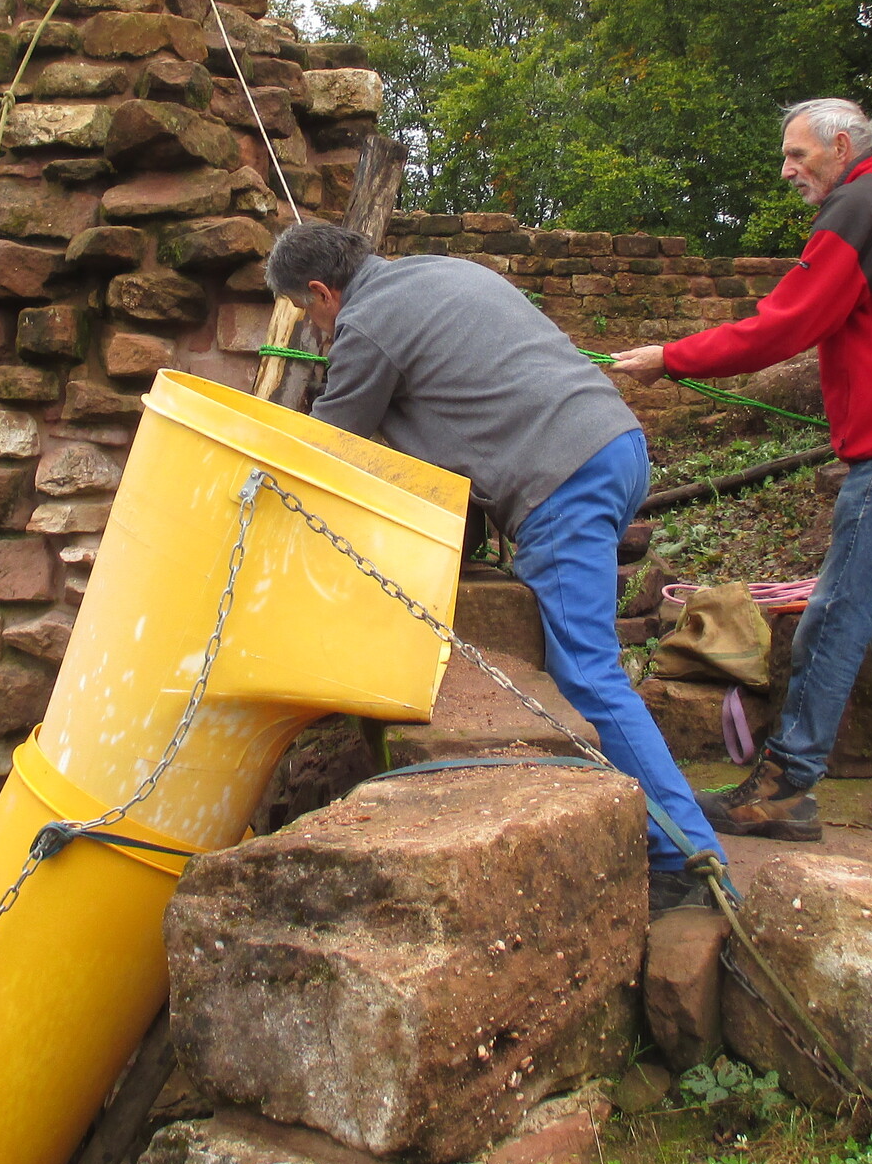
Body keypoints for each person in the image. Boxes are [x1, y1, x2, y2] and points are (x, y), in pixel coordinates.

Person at [265, 221, 728, 909]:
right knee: (589, 663)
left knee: (587, 673)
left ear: (322, 292)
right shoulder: (434, 272)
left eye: (307, 313)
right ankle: (679, 822)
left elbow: (326, 449)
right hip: (616, 446)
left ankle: (690, 861)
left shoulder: (367, 325)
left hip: (562, 479)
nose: (314, 328)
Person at [608, 98, 872, 844]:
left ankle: (785, 786)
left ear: (841, 146)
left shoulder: (860, 203)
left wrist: (672, 358)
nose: (787, 170)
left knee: (836, 614)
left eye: (797, 155)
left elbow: (790, 321)